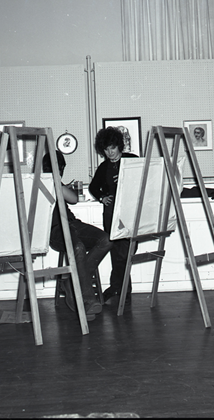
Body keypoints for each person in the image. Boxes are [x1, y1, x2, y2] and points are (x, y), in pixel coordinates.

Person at [43, 150, 112, 321]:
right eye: (56, 168)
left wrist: (57, 182)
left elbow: (73, 199)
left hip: (72, 223)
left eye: (61, 168)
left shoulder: (57, 183)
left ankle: (71, 282)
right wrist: (51, 180)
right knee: (78, 247)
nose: (59, 171)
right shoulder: (39, 183)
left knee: (106, 239)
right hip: (55, 230)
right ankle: (88, 301)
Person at [89, 126, 138, 304]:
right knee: (115, 252)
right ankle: (121, 289)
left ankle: (119, 288)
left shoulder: (133, 160)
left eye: (112, 148)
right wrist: (102, 197)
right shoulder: (103, 168)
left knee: (125, 253)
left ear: (119, 146)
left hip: (131, 212)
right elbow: (93, 187)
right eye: (106, 149)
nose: (109, 153)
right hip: (111, 213)